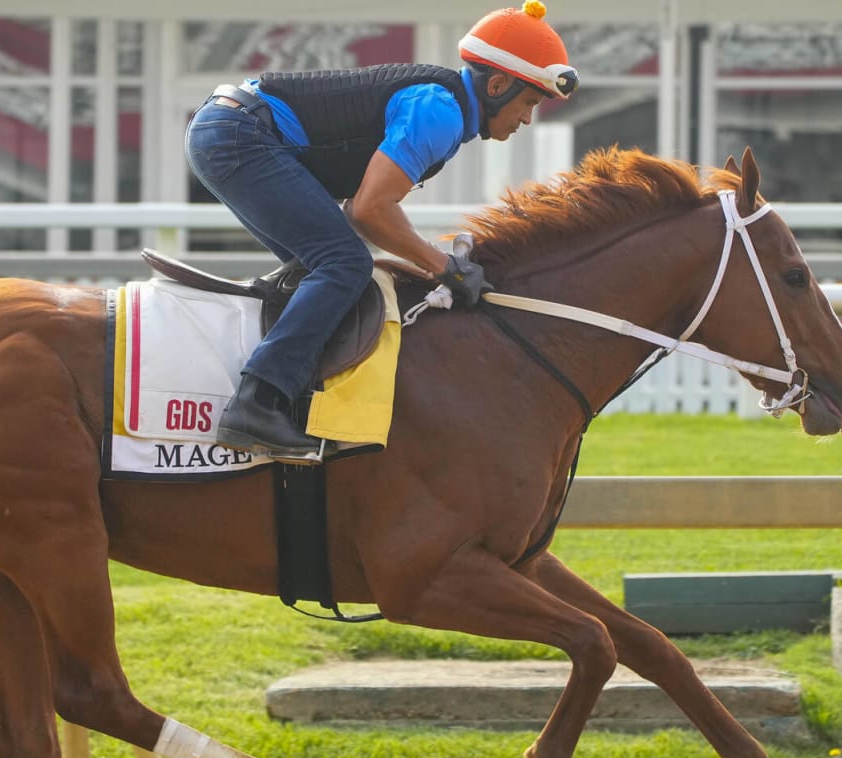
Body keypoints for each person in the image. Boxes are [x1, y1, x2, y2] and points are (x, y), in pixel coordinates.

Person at [185, 1, 578, 458]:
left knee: (326, 269)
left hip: (230, 127)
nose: (528, 118)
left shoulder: (443, 107)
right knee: (343, 265)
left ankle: (283, 393)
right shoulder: (441, 113)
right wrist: (443, 267)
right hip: (239, 132)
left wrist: (431, 259)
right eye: (529, 101)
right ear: (497, 84)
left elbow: (360, 208)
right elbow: (371, 210)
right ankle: (257, 402)